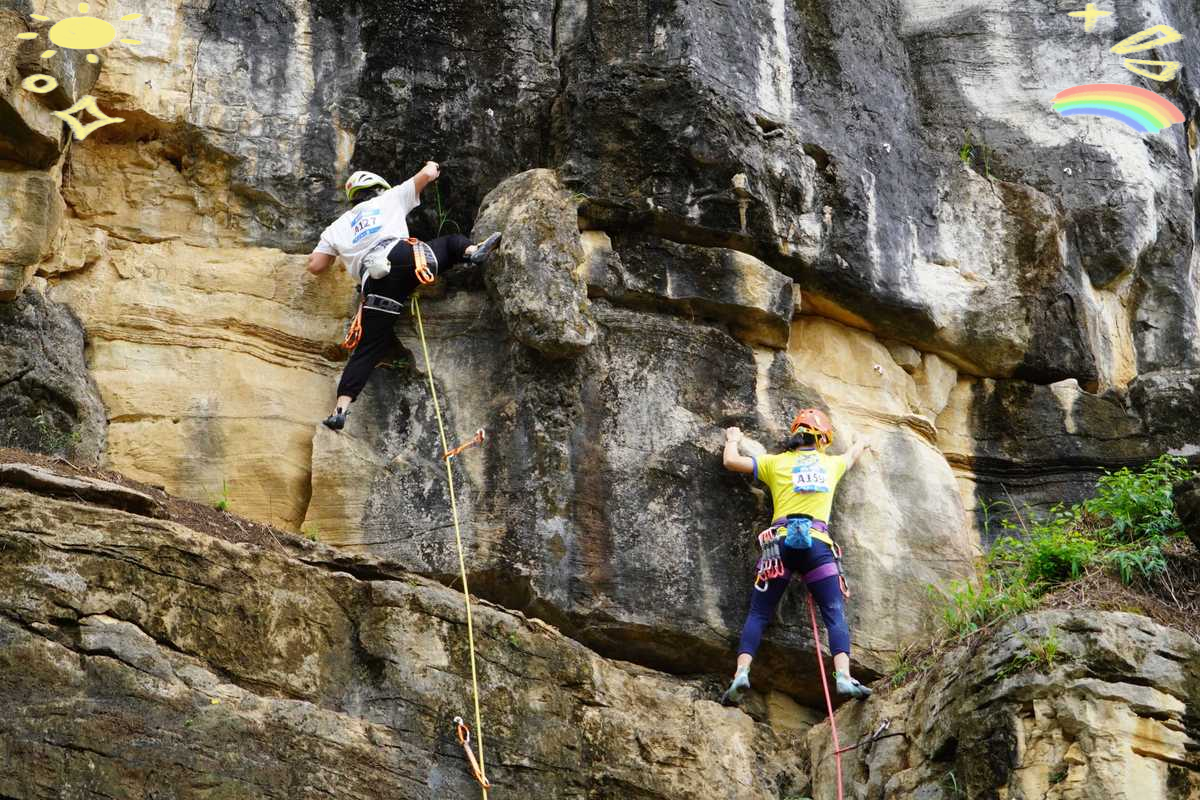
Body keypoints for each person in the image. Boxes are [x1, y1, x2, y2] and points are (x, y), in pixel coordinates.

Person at [306, 163, 501, 430]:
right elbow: (428, 175)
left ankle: (340, 410)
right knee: (450, 242)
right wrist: (433, 165)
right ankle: (472, 253)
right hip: (405, 258)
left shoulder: (336, 228)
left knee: (367, 350)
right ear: (378, 188)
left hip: (375, 286)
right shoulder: (390, 198)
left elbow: (316, 266)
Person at [720, 408, 873, 704]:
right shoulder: (832, 465)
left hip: (780, 546)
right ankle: (843, 676)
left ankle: (741, 673)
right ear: (823, 439)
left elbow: (731, 461)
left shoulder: (775, 463)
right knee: (833, 612)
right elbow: (852, 455)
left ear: (795, 435)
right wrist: (862, 441)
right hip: (817, 546)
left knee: (759, 613)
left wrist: (732, 438)